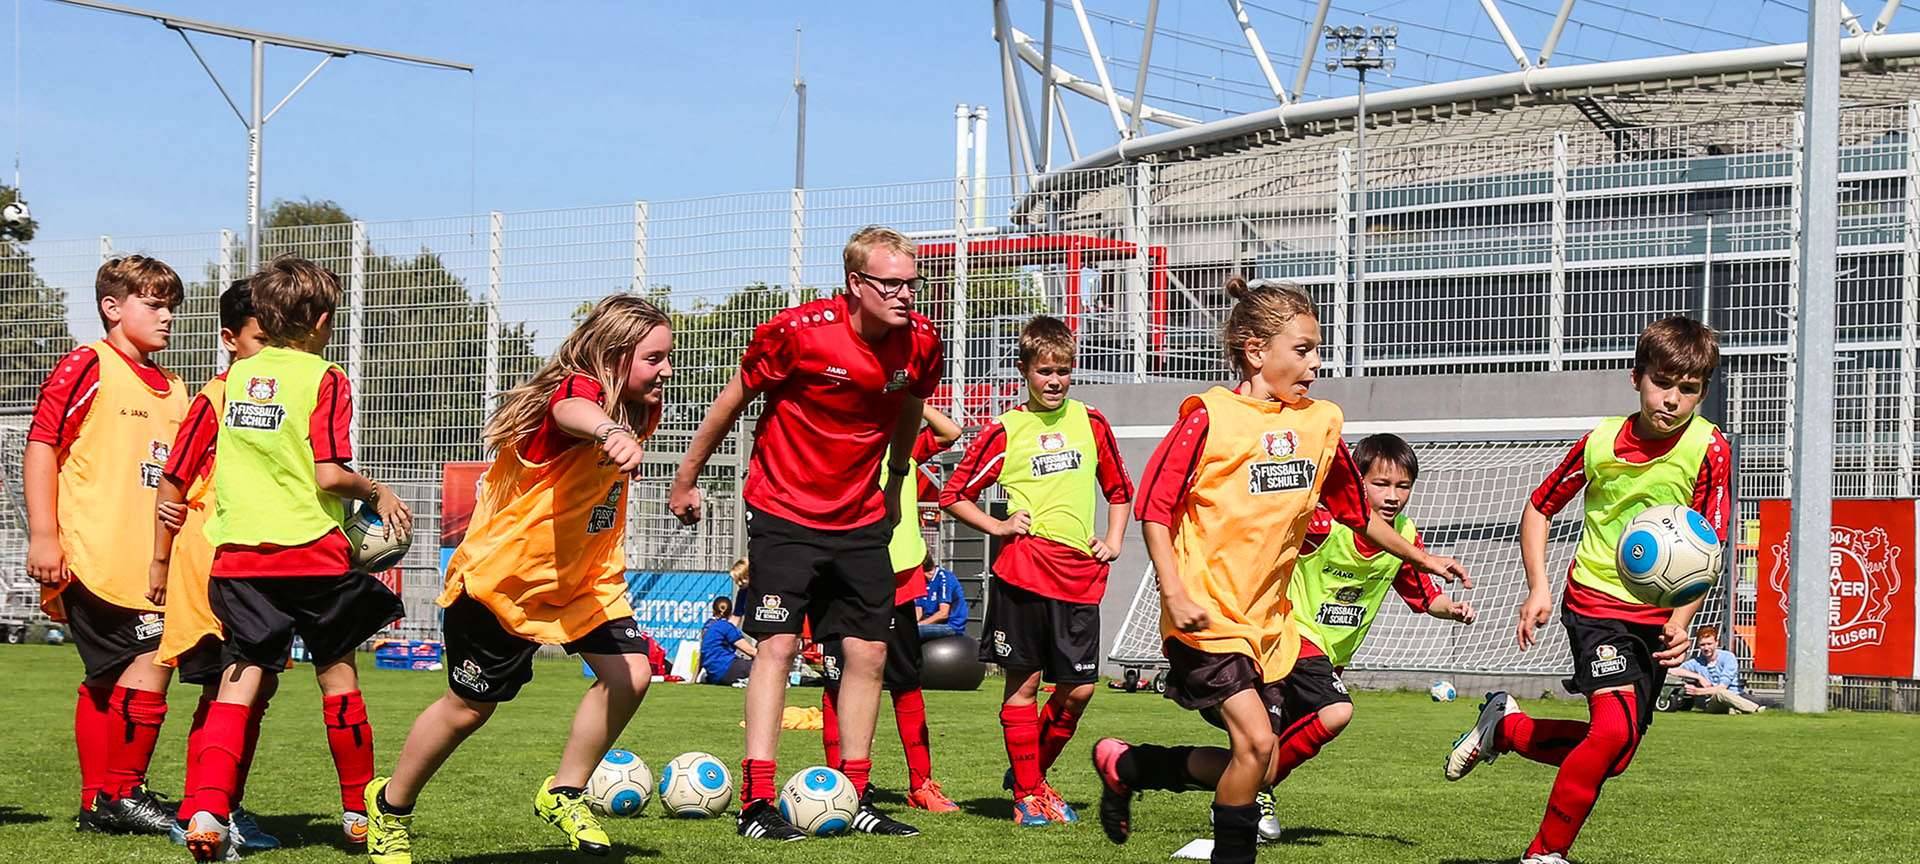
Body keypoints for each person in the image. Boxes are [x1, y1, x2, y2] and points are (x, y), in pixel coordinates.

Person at [1088, 278, 1465, 864]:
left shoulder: (1321, 424)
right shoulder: (1209, 417)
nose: (1317, 364)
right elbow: (1153, 509)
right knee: (1258, 742)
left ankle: (1131, 765)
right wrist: (1174, 591)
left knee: (1258, 759)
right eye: (1304, 349)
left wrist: (1422, 557)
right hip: (1206, 613)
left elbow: (1353, 512)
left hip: (1271, 625)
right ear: (1255, 349)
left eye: (1318, 350)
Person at [362, 295, 672, 864]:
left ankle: (564, 792)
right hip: (504, 585)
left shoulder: (640, 409)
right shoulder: (577, 395)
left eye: (667, 358)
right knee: (468, 709)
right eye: (654, 359)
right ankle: (391, 806)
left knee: (631, 674)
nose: (667, 371)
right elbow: (568, 412)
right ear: (617, 355)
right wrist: (607, 431)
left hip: (585, 582)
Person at [668, 225, 943, 841]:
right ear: (855, 283)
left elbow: (907, 410)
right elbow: (731, 401)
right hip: (784, 512)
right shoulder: (797, 333)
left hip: (861, 517)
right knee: (778, 646)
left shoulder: (921, 342)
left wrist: (897, 477)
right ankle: (757, 800)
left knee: (869, 652)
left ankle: (855, 793)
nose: (906, 295)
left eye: (912, 282)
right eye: (891, 284)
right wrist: (687, 478)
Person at [1444, 316, 1731, 864]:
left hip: (1656, 619)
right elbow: (1538, 507)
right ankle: (1544, 854)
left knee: (1615, 753)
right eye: (1662, 382)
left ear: (1702, 391)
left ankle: (1506, 727)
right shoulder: (1599, 443)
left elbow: (1709, 541)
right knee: (1609, 735)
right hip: (1595, 603)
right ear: (1636, 377)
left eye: (1688, 389)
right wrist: (1538, 588)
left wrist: (1682, 618)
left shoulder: (1708, 447)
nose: (1672, 399)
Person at [173, 256, 412, 863]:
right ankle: (360, 813)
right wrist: (376, 491)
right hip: (312, 558)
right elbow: (330, 474)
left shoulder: (227, 384)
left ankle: (206, 809)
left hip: (237, 560)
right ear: (322, 320)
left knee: (242, 676)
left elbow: (180, 474)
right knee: (338, 675)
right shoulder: (325, 376)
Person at [941, 314, 1136, 826]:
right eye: (1045, 370)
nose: (1055, 381)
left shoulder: (1091, 422)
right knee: (1023, 687)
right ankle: (1029, 795)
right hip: (1023, 573)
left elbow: (1119, 491)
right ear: (1025, 370)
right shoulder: (1006, 429)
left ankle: (1030, 772)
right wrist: (997, 526)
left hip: (1078, 575)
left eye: (1064, 370)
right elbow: (953, 495)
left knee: (1080, 690)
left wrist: (1113, 539)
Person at [26, 255, 189, 836]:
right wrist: (43, 535)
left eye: (171, 304)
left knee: (106, 677)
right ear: (112, 308)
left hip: (147, 562)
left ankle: (99, 802)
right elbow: (43, 444)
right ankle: (125, 791)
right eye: (154, 303)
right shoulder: (88, 364)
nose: (168, 316)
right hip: (91, 554)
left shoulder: (174, 388)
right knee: (149, 660)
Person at [1248, 433, 1478, 840]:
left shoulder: (1403, 535)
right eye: (1381, 484)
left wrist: (1452, 610)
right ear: (1356, 481)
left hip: (1331, 655)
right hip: (1292, 635)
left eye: (1403, 486)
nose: (1393, 496)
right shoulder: (1324, 521)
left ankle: (1147, 769)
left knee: (1270, 739)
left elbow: (1423, 595)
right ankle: (1253, 791)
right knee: (1336, 711)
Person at [148, 281, 283, 853]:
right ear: (230, 340)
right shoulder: (218, 398)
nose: (271, 351)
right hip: (211, 557)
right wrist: (158, 561)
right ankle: (204, 808)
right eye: (260, 339)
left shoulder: (285, 390)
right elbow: (173, 482)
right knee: (227, 685)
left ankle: (215, 805)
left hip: (259, 558)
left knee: (253, 684)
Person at [819, 404, 964, 813]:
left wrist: (913, 399)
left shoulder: (902, 446)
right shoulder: (836, 445)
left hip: (896, 578)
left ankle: (921, 785)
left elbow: (951, 433)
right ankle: (839, 782)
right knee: (836, 682)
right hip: (840, 578)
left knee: (905, 681)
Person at [1671, 625, 1762, 714]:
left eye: (1709, 644)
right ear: (1698, 645)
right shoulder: (1696, 662)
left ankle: (1744, 709)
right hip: (1712, 702)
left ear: (1716, 643)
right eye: (1702, 645)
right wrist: (1698, 677)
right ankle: (1752, 709)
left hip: (1734, 695)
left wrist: (1698, 691)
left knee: (1722, 692)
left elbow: (1722, 687)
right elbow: (1672, 670)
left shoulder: (1728, 657)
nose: (1706, 648)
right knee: (1720, 694)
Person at [702, 594, 756, 686]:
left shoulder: (708, 626)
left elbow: (736, 617)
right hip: (726, 668)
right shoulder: (726, 627)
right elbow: (750, 651)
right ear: (730, 612)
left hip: (714, 674)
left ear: (713, 610)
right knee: (764, 666)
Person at [915, 557, 968, 642]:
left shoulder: (945, 578)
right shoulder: (922, 581)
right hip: (930, 624)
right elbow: (918, 611)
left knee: (913, 632)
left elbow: (943, 614)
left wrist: (920, 624)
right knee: (902, 630)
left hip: (950, 625)